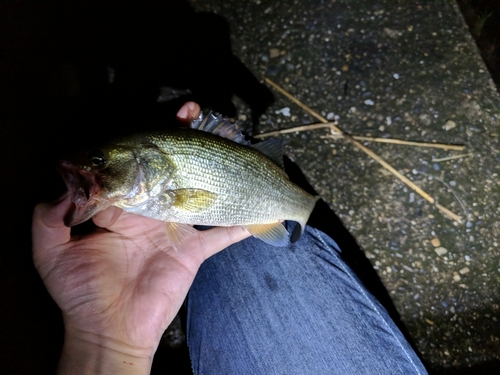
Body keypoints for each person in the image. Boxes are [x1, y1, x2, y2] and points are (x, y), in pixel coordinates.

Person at [32, 102, 428, 374]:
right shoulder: (148, 192)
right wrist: (108, 339)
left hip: (250, 196)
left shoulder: (154, 187)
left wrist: (105, 344)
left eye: (99, 161)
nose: (90, 168)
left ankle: (281, 186)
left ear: (145, 162)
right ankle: (271, 175)